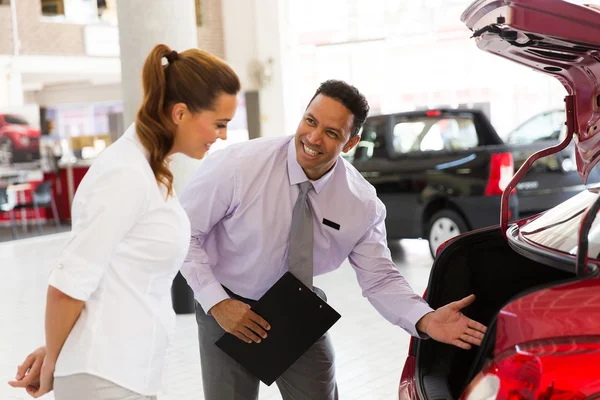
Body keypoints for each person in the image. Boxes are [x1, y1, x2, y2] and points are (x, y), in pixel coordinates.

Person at [179, 79, 487, 400]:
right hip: (227, 303)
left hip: (298, 309)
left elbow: (379, 279)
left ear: (350, 143)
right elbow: (183, 233)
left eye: (331, 132)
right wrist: (217, 302)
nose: (313, 138)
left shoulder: (360, 203)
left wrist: (423, 318)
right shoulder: (238, 166)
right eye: (310, 121)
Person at [7, 44, 241, 399]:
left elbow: (117, 276)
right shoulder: (126, 173)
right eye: (219, 123)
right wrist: (56, 359)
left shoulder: (150, 170)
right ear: (180, 113)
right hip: (106, 375)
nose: (222, 135)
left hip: (126, 372)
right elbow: (67, 284)